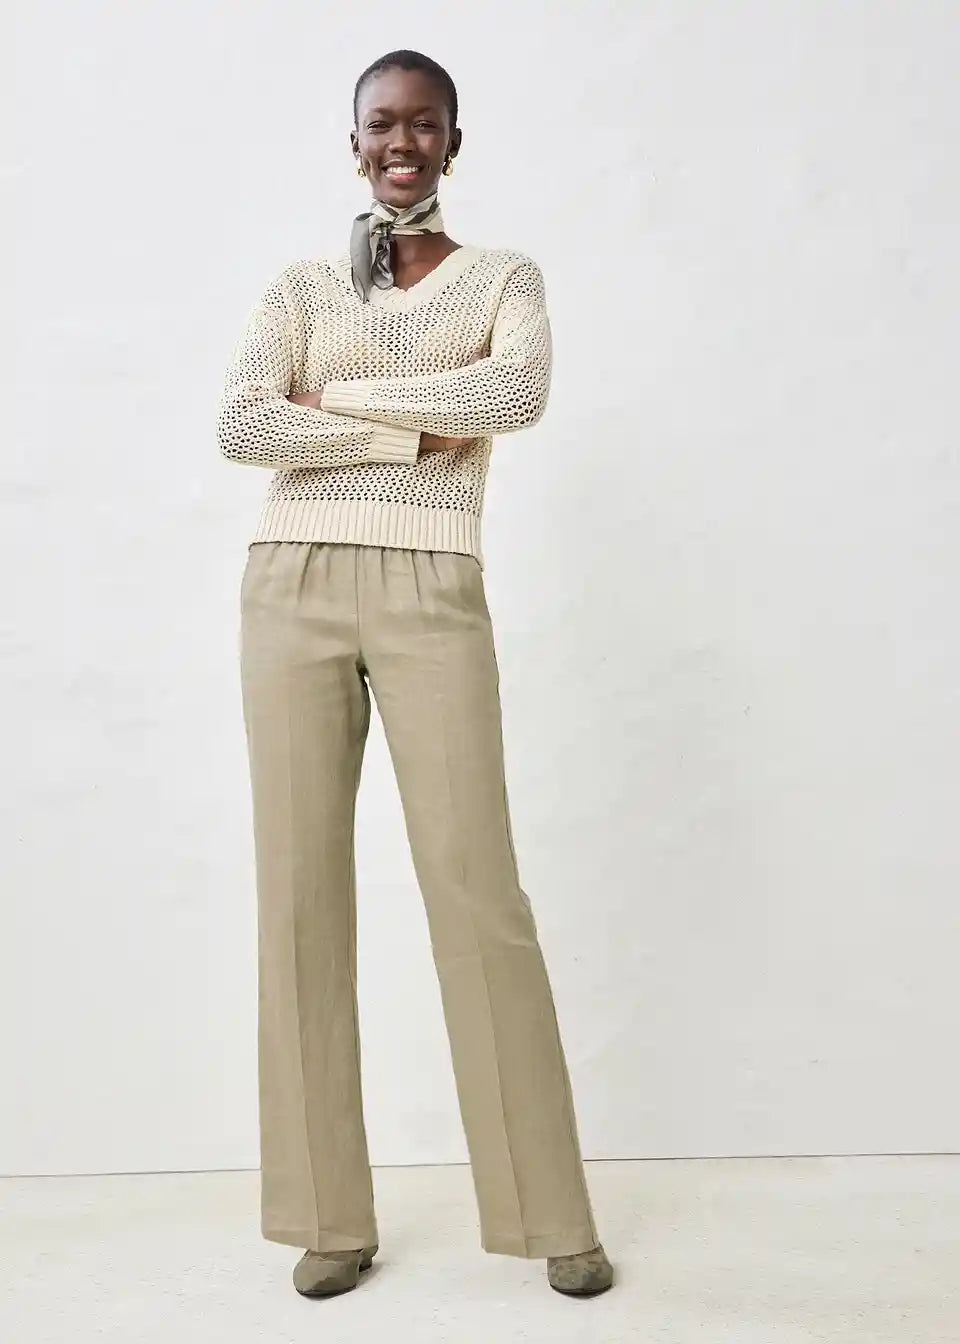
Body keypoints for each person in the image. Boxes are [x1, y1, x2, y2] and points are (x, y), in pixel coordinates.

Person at [216, 48, 614, 1300]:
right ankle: (328, 1215)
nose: (402, 142)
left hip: (433, 584)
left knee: (475, 885)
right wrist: (407, 425)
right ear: (355, 144)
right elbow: (243, 422)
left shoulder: (505, 277)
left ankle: (552, 1215)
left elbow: (517, 390)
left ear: (452, 140)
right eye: (381, 123)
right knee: (297, 896)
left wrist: (335, 402)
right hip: (288, 586)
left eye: (424, 123)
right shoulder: (297, 285)